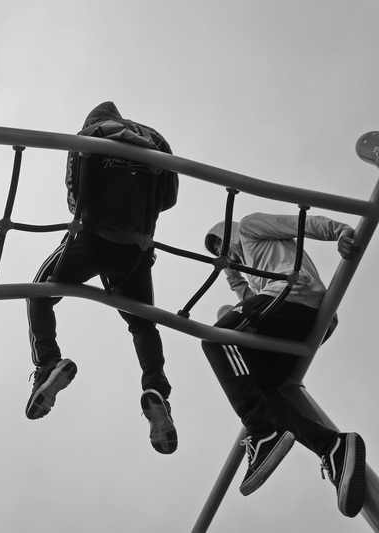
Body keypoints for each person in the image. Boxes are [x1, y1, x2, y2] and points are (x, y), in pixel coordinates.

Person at [24, 101, 180, 455]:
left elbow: (75, 188)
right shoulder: (155, 140)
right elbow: (168, 196)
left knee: (38, 293)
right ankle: (156, 389)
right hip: (135, 248)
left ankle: (48, 362)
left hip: (91, 239)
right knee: (143, 325)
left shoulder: (90, 137)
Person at [202, 212, 366, 517]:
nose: (221, 252)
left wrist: (341, 232)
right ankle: (331, 446)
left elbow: (299, 224)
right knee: (262, 389)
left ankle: (260, 429)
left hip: (294, 296)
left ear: (229, 232)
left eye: (220, 243)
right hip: (288, 315)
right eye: (215, 251)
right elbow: (249, 299)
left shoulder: (251, 228)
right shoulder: (249, 269)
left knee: (214, 339)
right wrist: (233, 275)